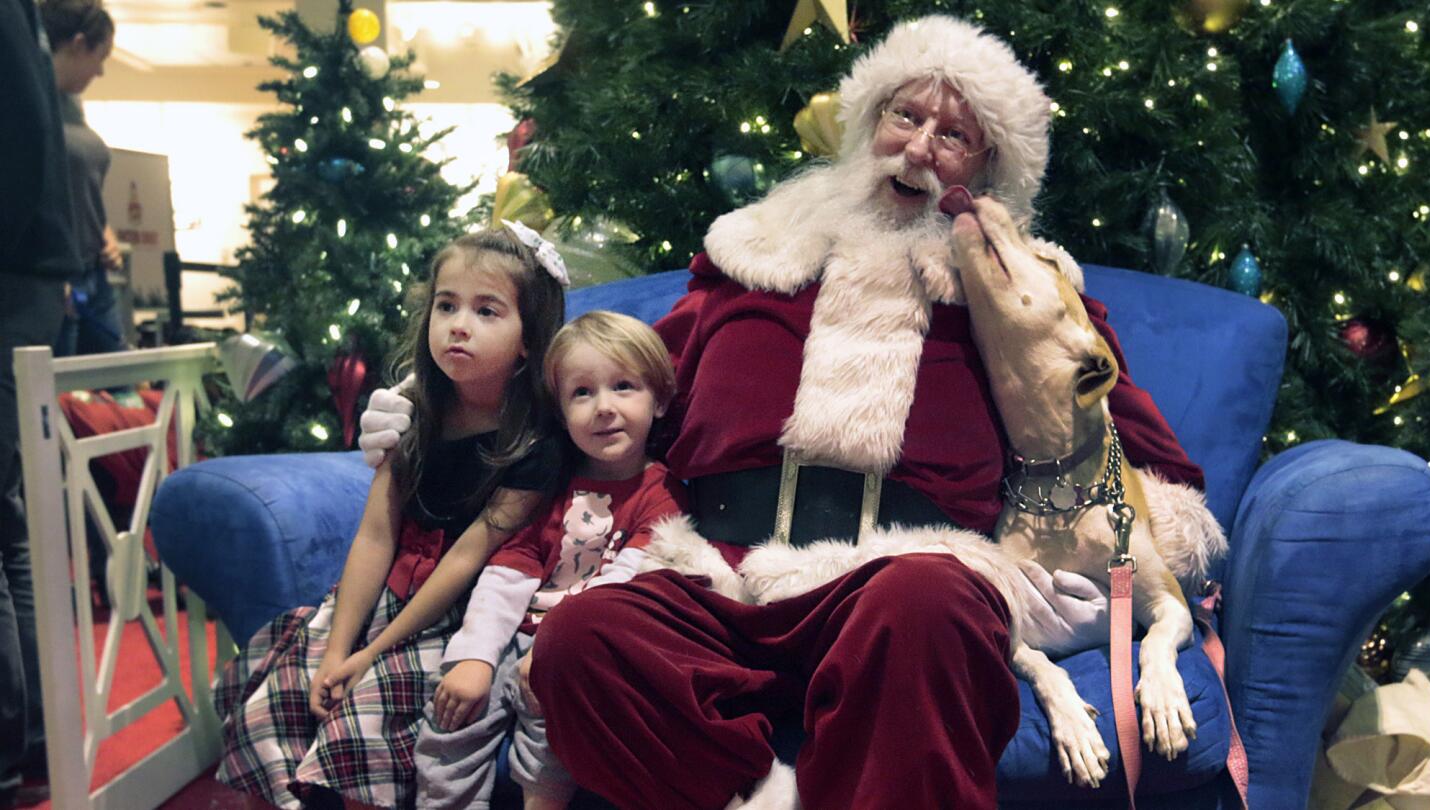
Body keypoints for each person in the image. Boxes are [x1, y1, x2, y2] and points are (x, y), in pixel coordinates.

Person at [360, 15, 1207, 809]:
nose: (915, 148)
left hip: (902, 570)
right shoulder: (752, 257)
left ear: (986, 171)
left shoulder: (1021, 290)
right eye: (903, 115)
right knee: (585, 639)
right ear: (866, 122)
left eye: (952, 136)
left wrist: (1107, 547)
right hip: (720, 565)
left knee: (930, 609)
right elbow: (607, 384)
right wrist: (441, 413)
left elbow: (1143, 458)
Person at [213, 224, 568, 810]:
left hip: (450, 614)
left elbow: (466, 559)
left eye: (487, 311)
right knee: (287, 680)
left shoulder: (535, 441)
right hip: (384, 596)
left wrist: (368, 654)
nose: (459, 324)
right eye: (446, 305)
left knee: (365, 710)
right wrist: (337, 647)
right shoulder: (413, 411)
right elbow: (376, 535)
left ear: (529, 337)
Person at [413, 310, 689, 810]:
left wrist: (556, 650)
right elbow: (510, 565)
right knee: (450, 711)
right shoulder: (552, 483)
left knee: (560, 721)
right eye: (581, 393)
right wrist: (476, 654)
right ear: (561, 414)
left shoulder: (663, 496)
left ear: (661, 399)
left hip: (579, 651)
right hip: (513, 636)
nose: (603, 408)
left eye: (623, 386)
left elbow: (626, 590)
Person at [1, 0, 86, 804]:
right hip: (31, 281)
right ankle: (32, 736)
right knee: (11, 517)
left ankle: (19, 743)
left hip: (14, 280)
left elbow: (21, 149)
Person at [39, 0, 126, 357]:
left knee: (120, 376)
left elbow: (78, 184)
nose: (101, 72)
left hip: (93, 269)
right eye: (100, 57)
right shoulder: (31, 102)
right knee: (63, 394)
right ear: (78, 45)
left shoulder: (72, 106)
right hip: (56, 274)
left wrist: (104, 231)